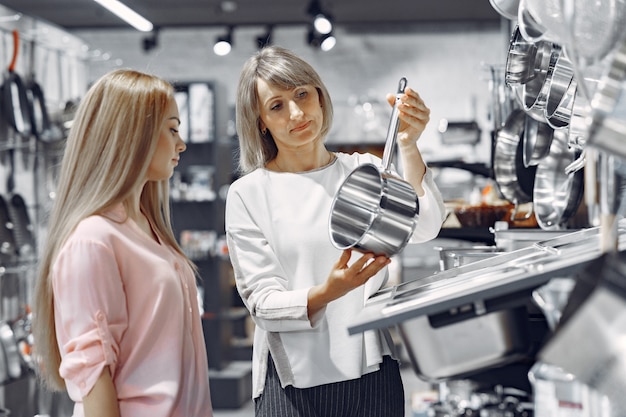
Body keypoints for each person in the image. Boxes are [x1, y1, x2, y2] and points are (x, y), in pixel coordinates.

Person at [225, 45, 446, 417]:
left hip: (371, 369)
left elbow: (424, 226)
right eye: (277, 105)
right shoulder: (249, 193)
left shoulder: (365, 171)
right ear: (260, 120)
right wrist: (328, 293)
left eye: (302, 94)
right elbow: (262, 304)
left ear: (319, 95)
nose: (297, 113)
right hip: (292, 382)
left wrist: (408, 145)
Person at [32, 69, 213, 417]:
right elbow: (94, 376)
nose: (182, 143)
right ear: (134, 134)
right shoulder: (93, 241)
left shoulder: (148, 229)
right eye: (172, 128)